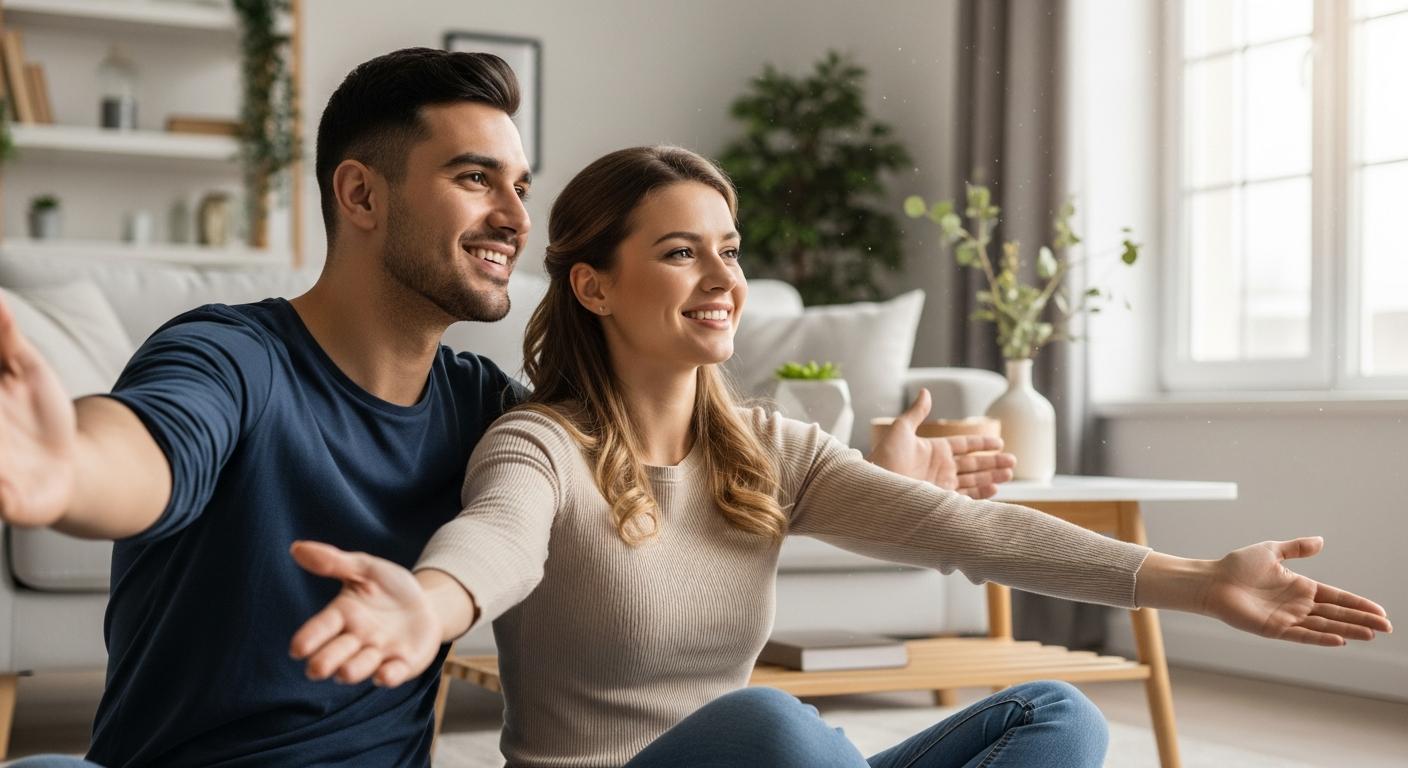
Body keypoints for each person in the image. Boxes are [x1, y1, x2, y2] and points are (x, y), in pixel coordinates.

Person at [0, 51, 1011, 767]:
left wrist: (877, 485)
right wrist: (65, 475)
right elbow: (146, 451)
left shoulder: (486, 407)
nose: (517, 220)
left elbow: (639, 474)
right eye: (474, 178)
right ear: (361, 196)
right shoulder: (231, 355)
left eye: (520, 185)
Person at [288, 146, 1393, 768]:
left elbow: (976, 533)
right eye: (680, 254)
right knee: (775, 723)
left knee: (1054, 715)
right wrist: (428, 609)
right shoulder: (542, 442)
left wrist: (1198, 584)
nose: (722, 278)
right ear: (593, 285)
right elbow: (496, 541)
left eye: (728, 249)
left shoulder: (766, 446)